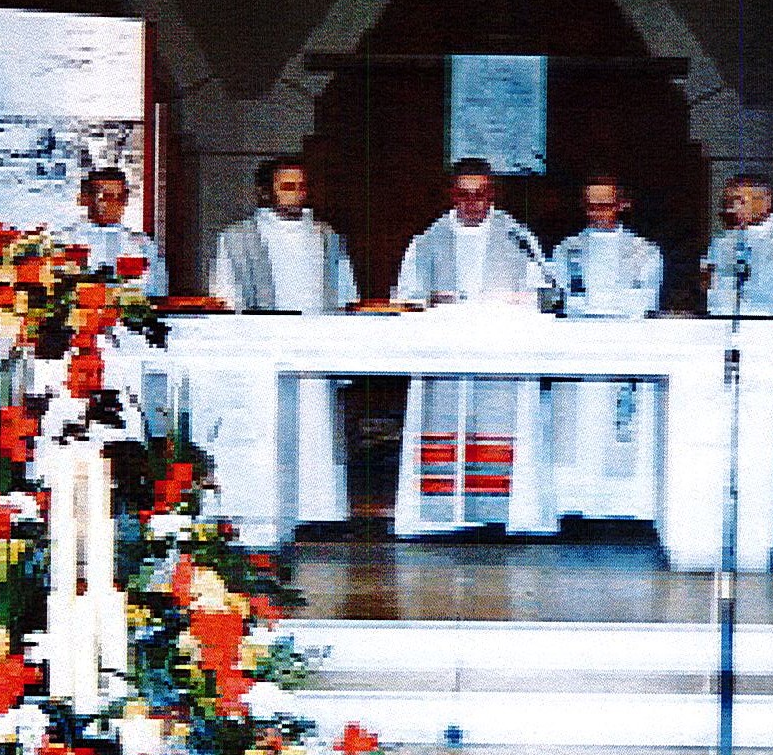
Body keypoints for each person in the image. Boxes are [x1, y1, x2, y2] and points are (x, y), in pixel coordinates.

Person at [389, 158, 556, 535]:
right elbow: (406, 298)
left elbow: (546, 294)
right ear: (452, 195)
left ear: (492, 195)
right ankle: (439, 515)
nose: (472, 203)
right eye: (463, 195)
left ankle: (501, 513)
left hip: (502, 356)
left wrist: (517, 300)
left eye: (480, 194)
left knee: (500, 427)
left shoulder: (517, 237)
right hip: (443, 358)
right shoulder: (428, 241)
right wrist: (432, 300)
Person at [207, 158, 361, 525]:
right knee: (268, 431)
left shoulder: (326, 236)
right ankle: (266, 510)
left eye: (301, 187)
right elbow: (225, 297)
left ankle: (321, 514)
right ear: (265, 191)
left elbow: (345, 293)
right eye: (287, 187)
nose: (296, 195)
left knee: (316, 433)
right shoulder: (237, 238)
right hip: (265, 353)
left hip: (315, 353)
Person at [547, 176, 665, 521]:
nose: (597, 213)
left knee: (619, 430)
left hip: (623, 350)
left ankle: (623, 507)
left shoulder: (644, 252)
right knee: (577, 429)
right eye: (591, 205)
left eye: (605, 205)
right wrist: (593, 305)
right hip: (579, 350)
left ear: (623, 205)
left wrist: (598, 306)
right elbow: (564, 298)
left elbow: (641, 300)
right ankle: (573, 502)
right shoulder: (566, 250)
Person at [701, 173, 773, 318]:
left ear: (765, 201)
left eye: (741, 201)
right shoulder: (724, 240)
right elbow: (708, 282)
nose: (733, 209)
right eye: (730, 203)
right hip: (721, 321)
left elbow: (771, 292)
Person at [64, 166, 166, 295]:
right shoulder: (69, 241)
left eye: (119, 197)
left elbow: (157, 290)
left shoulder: (142, 247)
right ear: (86, 199)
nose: (113, 203)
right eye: (105, 197)